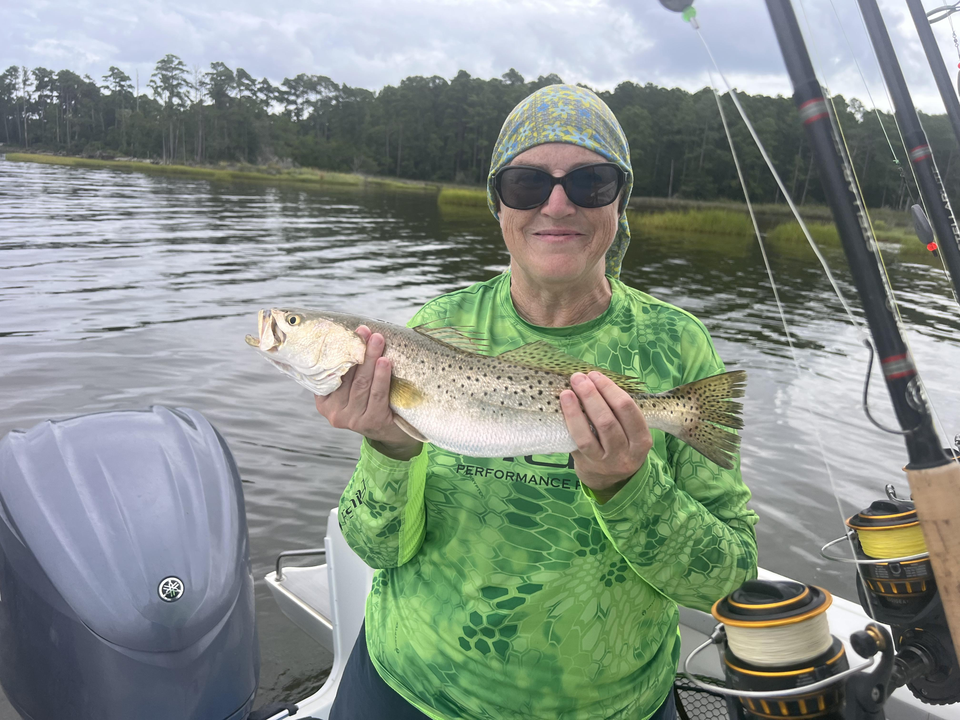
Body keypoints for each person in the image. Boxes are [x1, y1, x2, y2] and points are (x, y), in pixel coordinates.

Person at [320, 84, 759, 720]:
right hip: (407, 686)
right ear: (497, 202)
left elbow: (730, 580)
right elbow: (377, 550)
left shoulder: (678, 347)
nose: (556, 204)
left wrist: (628, 487)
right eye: (526, 183)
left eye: (590, 182)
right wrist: (389, 444)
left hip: (611, 707)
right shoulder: (435, 328)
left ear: (620, 200)